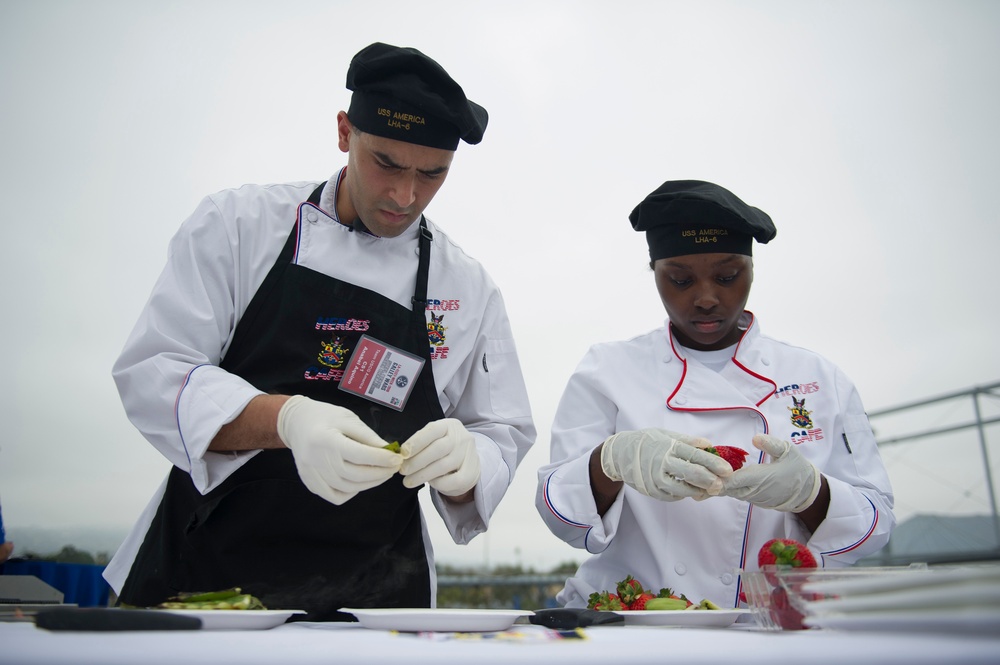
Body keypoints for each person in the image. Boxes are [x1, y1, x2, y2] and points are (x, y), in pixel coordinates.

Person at [105, 42, 535, 620]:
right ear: (343, 133)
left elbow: (500, 430)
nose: (405, 196)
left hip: (380, 593)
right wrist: (288, 419)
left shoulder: (468, 291)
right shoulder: (239, 226)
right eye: (386, 163)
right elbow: (156, 372)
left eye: (432, 175)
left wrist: (470, 463)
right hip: (206, 572)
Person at [535, 180, 894, 609]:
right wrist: (610, 462)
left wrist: (810, 493)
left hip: (766, 629)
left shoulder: (817, 378)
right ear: (655, 274)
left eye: (727, 277)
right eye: (681, 280)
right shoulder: (607, 371)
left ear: (752, 269)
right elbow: (559, 510)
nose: (706, 298)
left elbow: (876, 522)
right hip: (629, 624)